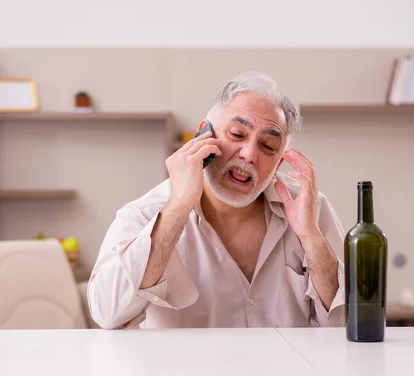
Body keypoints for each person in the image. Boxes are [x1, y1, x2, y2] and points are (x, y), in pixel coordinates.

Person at [87, 71, 346, 329]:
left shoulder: (310, 208)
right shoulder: (144, 214)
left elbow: (347, 321)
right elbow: (108, 313)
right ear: (204, 135)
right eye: (237, 134)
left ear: (279, 162)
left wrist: (311, 237)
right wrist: (179, 206)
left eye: (268, 146)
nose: (249, 154)